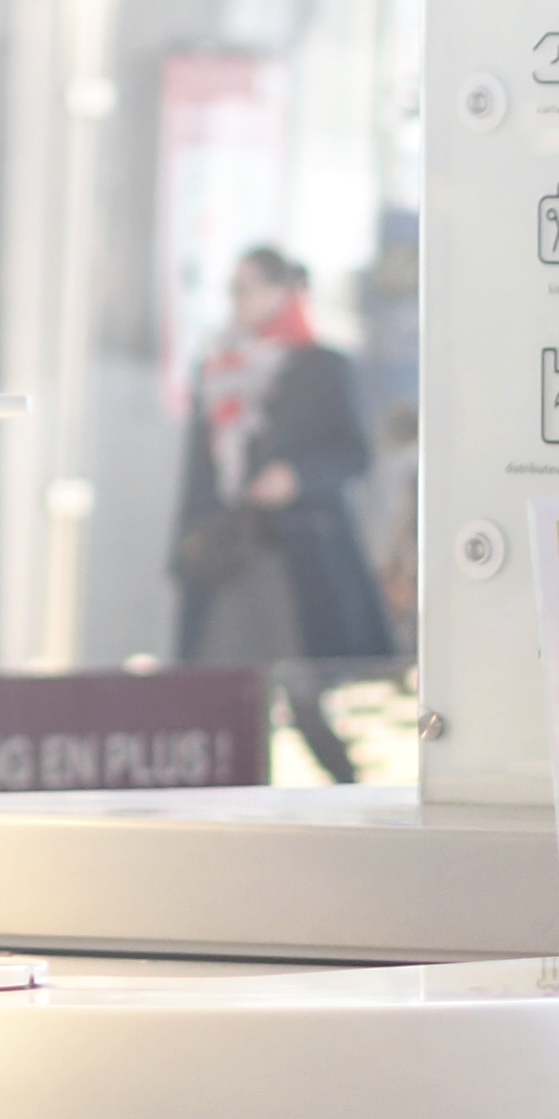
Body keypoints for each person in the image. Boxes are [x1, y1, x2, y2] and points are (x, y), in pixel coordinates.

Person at [174, 246, 394, 781]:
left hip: (296, 556)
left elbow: (352, 453)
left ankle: (351, 790)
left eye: (246, 288)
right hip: (229, 556)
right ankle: (229, 797)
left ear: (280, 292)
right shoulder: (217, 367)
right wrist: (185, 551)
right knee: (218, 687)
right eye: (233, 289)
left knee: (303, 688)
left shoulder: (321, 367)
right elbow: (198, 476)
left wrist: (296, 477)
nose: (237, 301)